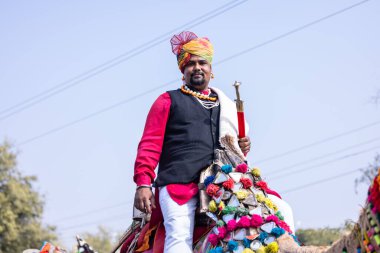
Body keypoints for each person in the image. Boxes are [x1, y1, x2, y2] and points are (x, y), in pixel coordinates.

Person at [133, 31, 292, 253]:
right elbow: (149, 145)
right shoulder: (167, 101)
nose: (197, 68)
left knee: (278, 211)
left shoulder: (224, 104)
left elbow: (233, 146)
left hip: (222, 183)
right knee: (179, 236)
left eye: (202, 63)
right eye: (191, 64)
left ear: (211, 69)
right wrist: (143, 183)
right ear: (183, 70)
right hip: (179, 184)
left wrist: (239, 146)